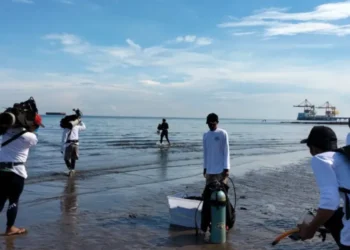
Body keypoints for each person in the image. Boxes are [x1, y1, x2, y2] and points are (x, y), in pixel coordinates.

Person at [298, 126, 350, 250]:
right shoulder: (345, 157)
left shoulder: (321, 159)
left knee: (328, 214)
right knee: (334, 215)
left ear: (313, 148)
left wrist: (311, 229)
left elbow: (329, 203)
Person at [0, 114, 43, 236]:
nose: (36, 128)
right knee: (13, 200)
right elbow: (32, 142)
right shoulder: (30, 137)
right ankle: (10, 228)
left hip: (1, 170)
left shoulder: (6, 131)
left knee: (1, 199)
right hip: (16, 173)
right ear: (31, 124)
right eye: (37, 126)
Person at [202, 113, 230, 185]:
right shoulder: (206, 135)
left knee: (221, 193)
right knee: (209, 193)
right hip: (209, 170)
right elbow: (205, 153)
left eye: (213, 124)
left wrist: (226, 168)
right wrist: (205, 168)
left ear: (217, 122)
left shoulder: (222, 133)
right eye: (209, 124)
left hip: (220, 170)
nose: (211, 126)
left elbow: (226, 151)